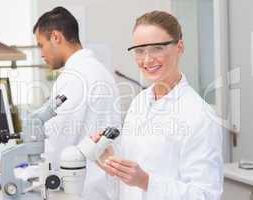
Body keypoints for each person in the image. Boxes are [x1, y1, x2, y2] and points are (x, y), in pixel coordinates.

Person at [95, 10, 223, 200]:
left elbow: (205, 195)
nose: (147, 59)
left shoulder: (200, 115)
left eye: (157, 48)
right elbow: (130, 183)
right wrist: (111, 163)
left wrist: (147, 182)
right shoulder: (139, 102)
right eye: (139, 50)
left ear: (179, 47)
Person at [33, 7, 121, 200]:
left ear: (56, 37)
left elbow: (58, 143)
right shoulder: (98, 69)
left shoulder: (74, 77)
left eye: (41, 45)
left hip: (82, 189)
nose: (41, 53)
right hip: (103, 187)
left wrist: (32, 173)